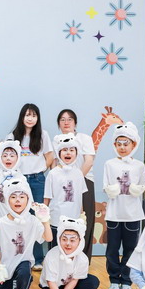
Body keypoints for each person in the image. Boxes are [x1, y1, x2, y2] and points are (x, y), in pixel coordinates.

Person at [0, 177, 53, 289]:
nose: (17, 200)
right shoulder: (2, 222)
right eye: (13, 197)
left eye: (22, 197)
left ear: (28, 200)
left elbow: (48, 238)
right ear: (7, 200)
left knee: (25, 272)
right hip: (5, 267)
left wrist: (45, 220)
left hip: (23, 262)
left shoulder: (32, 220)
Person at [103, 122, 145, 289]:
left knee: (131, 249)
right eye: (119, 144)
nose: (122, 147)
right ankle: (114, 280)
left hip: (133, 215)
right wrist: (111, 189)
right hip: (114, 214)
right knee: (112, 249)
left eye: (126, 144)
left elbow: (142, 185)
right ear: (115, 145)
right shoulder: (109, 164)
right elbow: (106, 185)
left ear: (133, 144)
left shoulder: (139, 166)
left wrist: (136, 189)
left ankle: (127, 281)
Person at [10, 103, 54, 270]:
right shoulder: (12, 136)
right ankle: (20, 258)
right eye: (27, 115)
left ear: (38, 118)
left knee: (37, 217)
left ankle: (37, 259)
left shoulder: (43, 135)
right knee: (20, 218)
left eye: (34, 115)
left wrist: (40, 169)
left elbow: (49, 157)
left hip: (37, 180)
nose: (30, 118)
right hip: (19, 181)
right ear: (22, 117)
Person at [56, 109, 96, 257]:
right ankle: (64, 256)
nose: (66, 122)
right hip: (63, 184)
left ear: (75, 123)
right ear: (59, 124)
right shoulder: (56, 140)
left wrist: (76, 179)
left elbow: (89, 161)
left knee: (85, 220)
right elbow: (55, 163)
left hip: (84, 180)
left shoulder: (84, 138)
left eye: (70, 119)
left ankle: (83, 259)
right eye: (62, 119)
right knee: (64, 219)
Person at [39, 216, 100, 289]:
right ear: (59, 239)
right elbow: (50, 281)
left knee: (93, 281)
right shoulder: (52, 255)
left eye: (72, 240)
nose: (68, 244)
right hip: (53, 286)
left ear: (80, 241)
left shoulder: (83, 259)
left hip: (69, 285)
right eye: (64, 239)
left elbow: (74, 280)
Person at [44, 133, 87, 245]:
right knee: (55, 248)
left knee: (71, 248)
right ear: (59, 153)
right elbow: (47, 198)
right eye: (64, 150)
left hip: (74, 220)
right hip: (56, 220)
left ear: (76, 153)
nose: (68, 153)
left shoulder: (78, 173)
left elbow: (80, 197)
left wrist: (82, 215)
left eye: (72, 150)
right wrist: (44, 217)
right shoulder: (53, 174)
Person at [0, 139, 23, 222]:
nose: (8, 158)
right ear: (0, 157)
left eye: (12, 156)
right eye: (5, 156)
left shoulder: (20, 176)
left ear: (18, 158)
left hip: (13, 212)